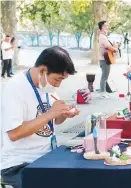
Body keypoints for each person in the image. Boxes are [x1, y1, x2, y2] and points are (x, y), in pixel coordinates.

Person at [1, 46, 80, 188]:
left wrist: (64, 114)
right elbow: (14, 133)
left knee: (82, 174)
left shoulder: (46, 87)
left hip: (47, 157)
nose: (58, 84)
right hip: (19, 164)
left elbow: (53, 121)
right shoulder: (15, 87)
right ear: (43, 70)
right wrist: (50, 114)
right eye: (57, 79)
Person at [98, 21, 118, 98]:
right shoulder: (102, 36)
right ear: (102, 27)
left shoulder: (104, 36)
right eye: (106, 26)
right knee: (104, 76)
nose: (107, 27)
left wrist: (114, 46)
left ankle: (104, 92)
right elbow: (107, 46)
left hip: (106, 59)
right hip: (104, 59)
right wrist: (115, 49)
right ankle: (102, 93)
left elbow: (108, 46)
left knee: (105, 76)